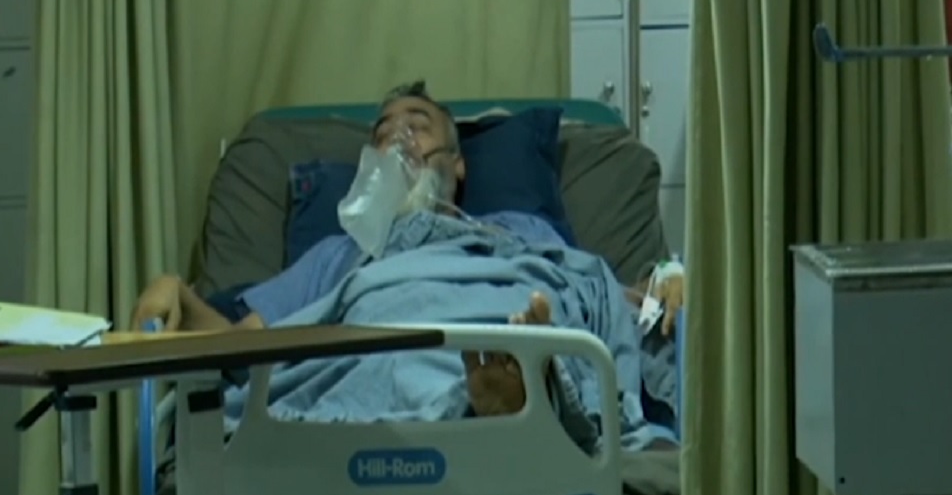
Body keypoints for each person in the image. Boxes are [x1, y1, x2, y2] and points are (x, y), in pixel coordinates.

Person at [133, 80, 684, 431]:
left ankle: (517, 393)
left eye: (418, 127)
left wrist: (668, 278)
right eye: (385, 133)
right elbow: (240, 344)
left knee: (541, 324)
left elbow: (605, 296)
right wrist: (177, 294)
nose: (400, 139)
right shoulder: (338, 256)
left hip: (511, 328)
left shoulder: (519, 229)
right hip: (387, 355)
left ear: (458, 164)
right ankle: (501, 408)